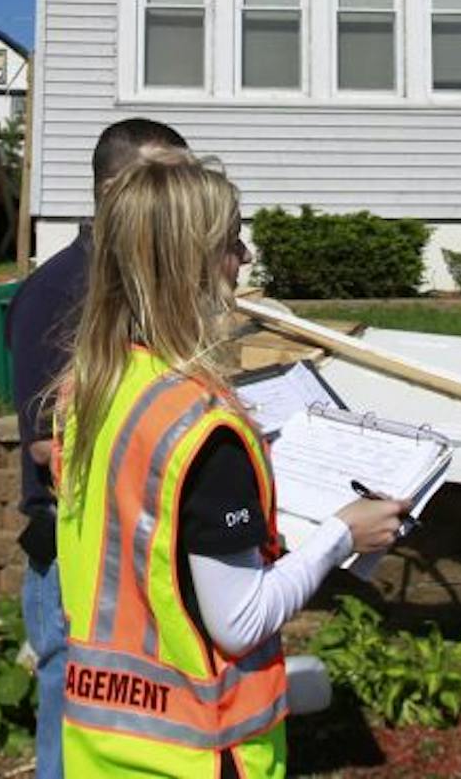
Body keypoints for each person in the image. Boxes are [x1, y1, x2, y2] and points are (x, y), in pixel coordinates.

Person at [53, 153, 407, 778]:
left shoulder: (92, 388)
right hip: (198, 755)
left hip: (101, 747)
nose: (244, 258)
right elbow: (239, 622)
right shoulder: (202, 428)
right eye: (232, 241)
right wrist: (342, 536)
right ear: (192, 262)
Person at [8, 118, 190, 778]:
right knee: (73, 731)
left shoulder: (140, 287)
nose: (181, 195)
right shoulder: (58, 293)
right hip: (74, 557)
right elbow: (44, 445)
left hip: (130, 546)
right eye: (166, 179)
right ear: (114, 190)